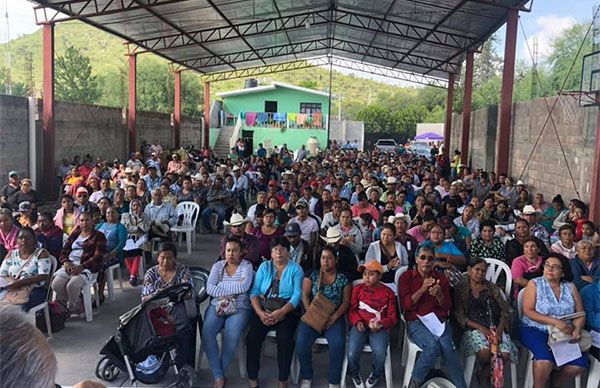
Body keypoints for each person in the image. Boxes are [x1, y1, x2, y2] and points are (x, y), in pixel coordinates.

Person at [398, 246, 467, 388]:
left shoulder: (441, 278)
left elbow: (447, 307)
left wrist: (439, 295)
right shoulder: (406, 277)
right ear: (417, 259)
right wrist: (422, 289)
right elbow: (406, 305)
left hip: (438, 321)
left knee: (449, 349)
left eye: (430, 258)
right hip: (416, 320)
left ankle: (461, 386)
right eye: (423, 257)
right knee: (432, 348)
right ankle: (413, 384)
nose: (426, 261)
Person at [520, 253, 588, 387]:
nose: (550, 269)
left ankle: (555, 381)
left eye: (555, 267)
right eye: (547, 265)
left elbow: (580, 314)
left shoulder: (570, 287)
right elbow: (528, 311)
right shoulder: (534, 284)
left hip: (563, 332)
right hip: (535, 328)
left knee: (578, 365)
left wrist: (578, 329)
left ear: (563, 272)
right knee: (545, 360)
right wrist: (556, 322)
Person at [246, 237, 303, 388]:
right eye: (275, 249)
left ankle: (282, 380)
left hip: (287, 309)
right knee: (252, 337)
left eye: (282, 249)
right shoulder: (264, 267)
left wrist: (282, 312)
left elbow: (297, 295)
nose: (279, 252)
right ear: (271, 253)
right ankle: (252, 378)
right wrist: (259, 312)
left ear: (288, 252)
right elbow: (255, 292)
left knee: (285, 339)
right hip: (264, 308)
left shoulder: (295, 269)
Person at [453, 259, 518, 385]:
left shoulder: (491, 288)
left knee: (504, 354)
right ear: (469, 270)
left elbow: (505, 311)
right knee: (484, 352)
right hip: (473, 328)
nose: (480, 273)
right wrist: (482, 329)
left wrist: (498, 331)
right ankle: (487, 376)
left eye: (483, 271)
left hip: (495, 326)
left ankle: (483, 374)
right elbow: (459, 315)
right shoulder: (461, 288)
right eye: (477, 269)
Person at [295, 246, 352, 388]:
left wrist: (334, 318)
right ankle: (307, 376)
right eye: (323, 258)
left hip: (334, 317)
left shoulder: (343, 278)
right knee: (301, 341)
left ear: (336, 260)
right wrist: (311, 313)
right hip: (313, 315)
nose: (326, 261)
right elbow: (304, 295)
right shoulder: (312, 275)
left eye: (330, 258)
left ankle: (334, 380)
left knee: (338, 343)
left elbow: (346, 302)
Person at [203, 237, 254, 388]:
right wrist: (231, 289)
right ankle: (219, 374)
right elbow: (209, 288)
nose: (231, 254)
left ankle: (219, 374)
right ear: (224, 252)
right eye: (228, 250)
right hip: (217, 304)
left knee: (232, 334)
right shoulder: (218, 266)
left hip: (240, 306)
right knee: (207, 332)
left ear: (241, 252)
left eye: (234, 250)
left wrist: (222, 286)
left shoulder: (247, 266)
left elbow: (244, 287)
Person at [141, 243, 195, 367]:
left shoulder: (182, 270)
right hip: (156, 308)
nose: (165, 261)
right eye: (162, 257)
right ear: (158, 257)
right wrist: (170, 295)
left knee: (183, 328)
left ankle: (181, 362)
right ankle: (158, 359)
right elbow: (146, 297)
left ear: (175, 258)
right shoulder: (151, 273)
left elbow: (188, 292)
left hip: (177, 305)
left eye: (169, 258)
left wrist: (166, 296)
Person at [347, 260, 397, 388]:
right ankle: (354, 372)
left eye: (371, 274)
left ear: (380, 276)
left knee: (380, 352)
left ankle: (376, 373)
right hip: (360, 325)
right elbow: (352, 310)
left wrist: (381, 324)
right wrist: (357, 321)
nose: (366, 277)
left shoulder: (388, 293)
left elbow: (392, 317)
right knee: (352, 352)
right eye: (364, 274)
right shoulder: (358, 289)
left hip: (379, 327)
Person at [52, 211, 107, 314]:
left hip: (87, 267)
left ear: (92, 222)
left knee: (72, 285)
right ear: (78, 222)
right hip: (70, 265)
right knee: (56, 284)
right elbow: (64, 251)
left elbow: (98, 257)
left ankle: (71, 306)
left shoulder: (99, 236)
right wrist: (66, 262)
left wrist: (82, 266)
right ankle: (77, 302)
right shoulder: (75, 234)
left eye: (87, 220)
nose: (84, 223)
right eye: (82, 220)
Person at [0, 227, 51, 311]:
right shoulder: (12, 254)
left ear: (34, 239)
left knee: (16, 308)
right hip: (12, 288)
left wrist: (21, 282)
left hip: (34, 289)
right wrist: (12, 281)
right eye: (20, 238)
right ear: (17, 240)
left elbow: (43, 276)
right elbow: (2, 274)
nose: (23, 240)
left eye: (27, 237)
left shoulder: (41, 253)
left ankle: (17, 323)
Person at [95, 206, 127, 302]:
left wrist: (111, 254)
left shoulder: (120, 227)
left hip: (113, 254)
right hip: (97, 252)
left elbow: (122, 243)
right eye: (108, 212)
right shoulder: (100, 225)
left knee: (101, 265)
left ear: (118, 215)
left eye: (113, 213)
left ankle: (100, 295)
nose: (110, 214)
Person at [121, 199, 150, 286]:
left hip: (140, 239)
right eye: (134, 205)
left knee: (137, 252)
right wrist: (136, 228)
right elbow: (124, 228)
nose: (136, 207)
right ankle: (134, 275)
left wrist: (139, 218)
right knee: (126, 253)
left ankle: (133, 276)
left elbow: (146, 228)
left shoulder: (145, 215)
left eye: (138, 205)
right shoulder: (125, 215)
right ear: (131, 206)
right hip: (129, 239)